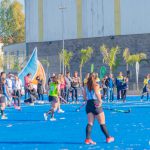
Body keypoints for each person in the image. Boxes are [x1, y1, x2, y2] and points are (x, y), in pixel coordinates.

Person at [83, 72, 114, 144]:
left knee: (90, 123)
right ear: (95, 78)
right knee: (102, 122)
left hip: (89, 104)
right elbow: (97, 94)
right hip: (96, 103)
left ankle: (88, 139)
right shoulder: (96, 85)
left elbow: (84, 97)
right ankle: (108, 137)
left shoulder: (86, 86)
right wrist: (100, 102)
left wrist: (88, 100)